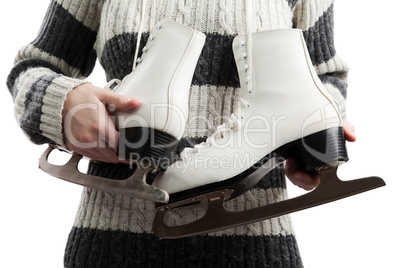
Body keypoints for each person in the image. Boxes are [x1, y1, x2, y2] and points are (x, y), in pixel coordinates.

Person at [7, 0, 355, 266]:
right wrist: (64, 103)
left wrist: (315, 134)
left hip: (257, 242)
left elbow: (325, 77)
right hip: (112, 237)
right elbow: (35, 66)